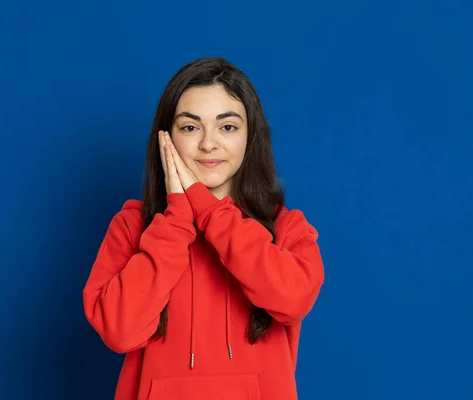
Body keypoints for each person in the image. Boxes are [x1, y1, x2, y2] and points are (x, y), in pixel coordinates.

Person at [82, 57, 325, 400]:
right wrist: (178, 219)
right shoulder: (131, 227)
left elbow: (293, 299)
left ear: (249, 136)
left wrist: (210, 212)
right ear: (166, 138)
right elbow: (118, 331)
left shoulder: (286, 228)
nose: (209, 144)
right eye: (190, 127)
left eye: (227, 127)